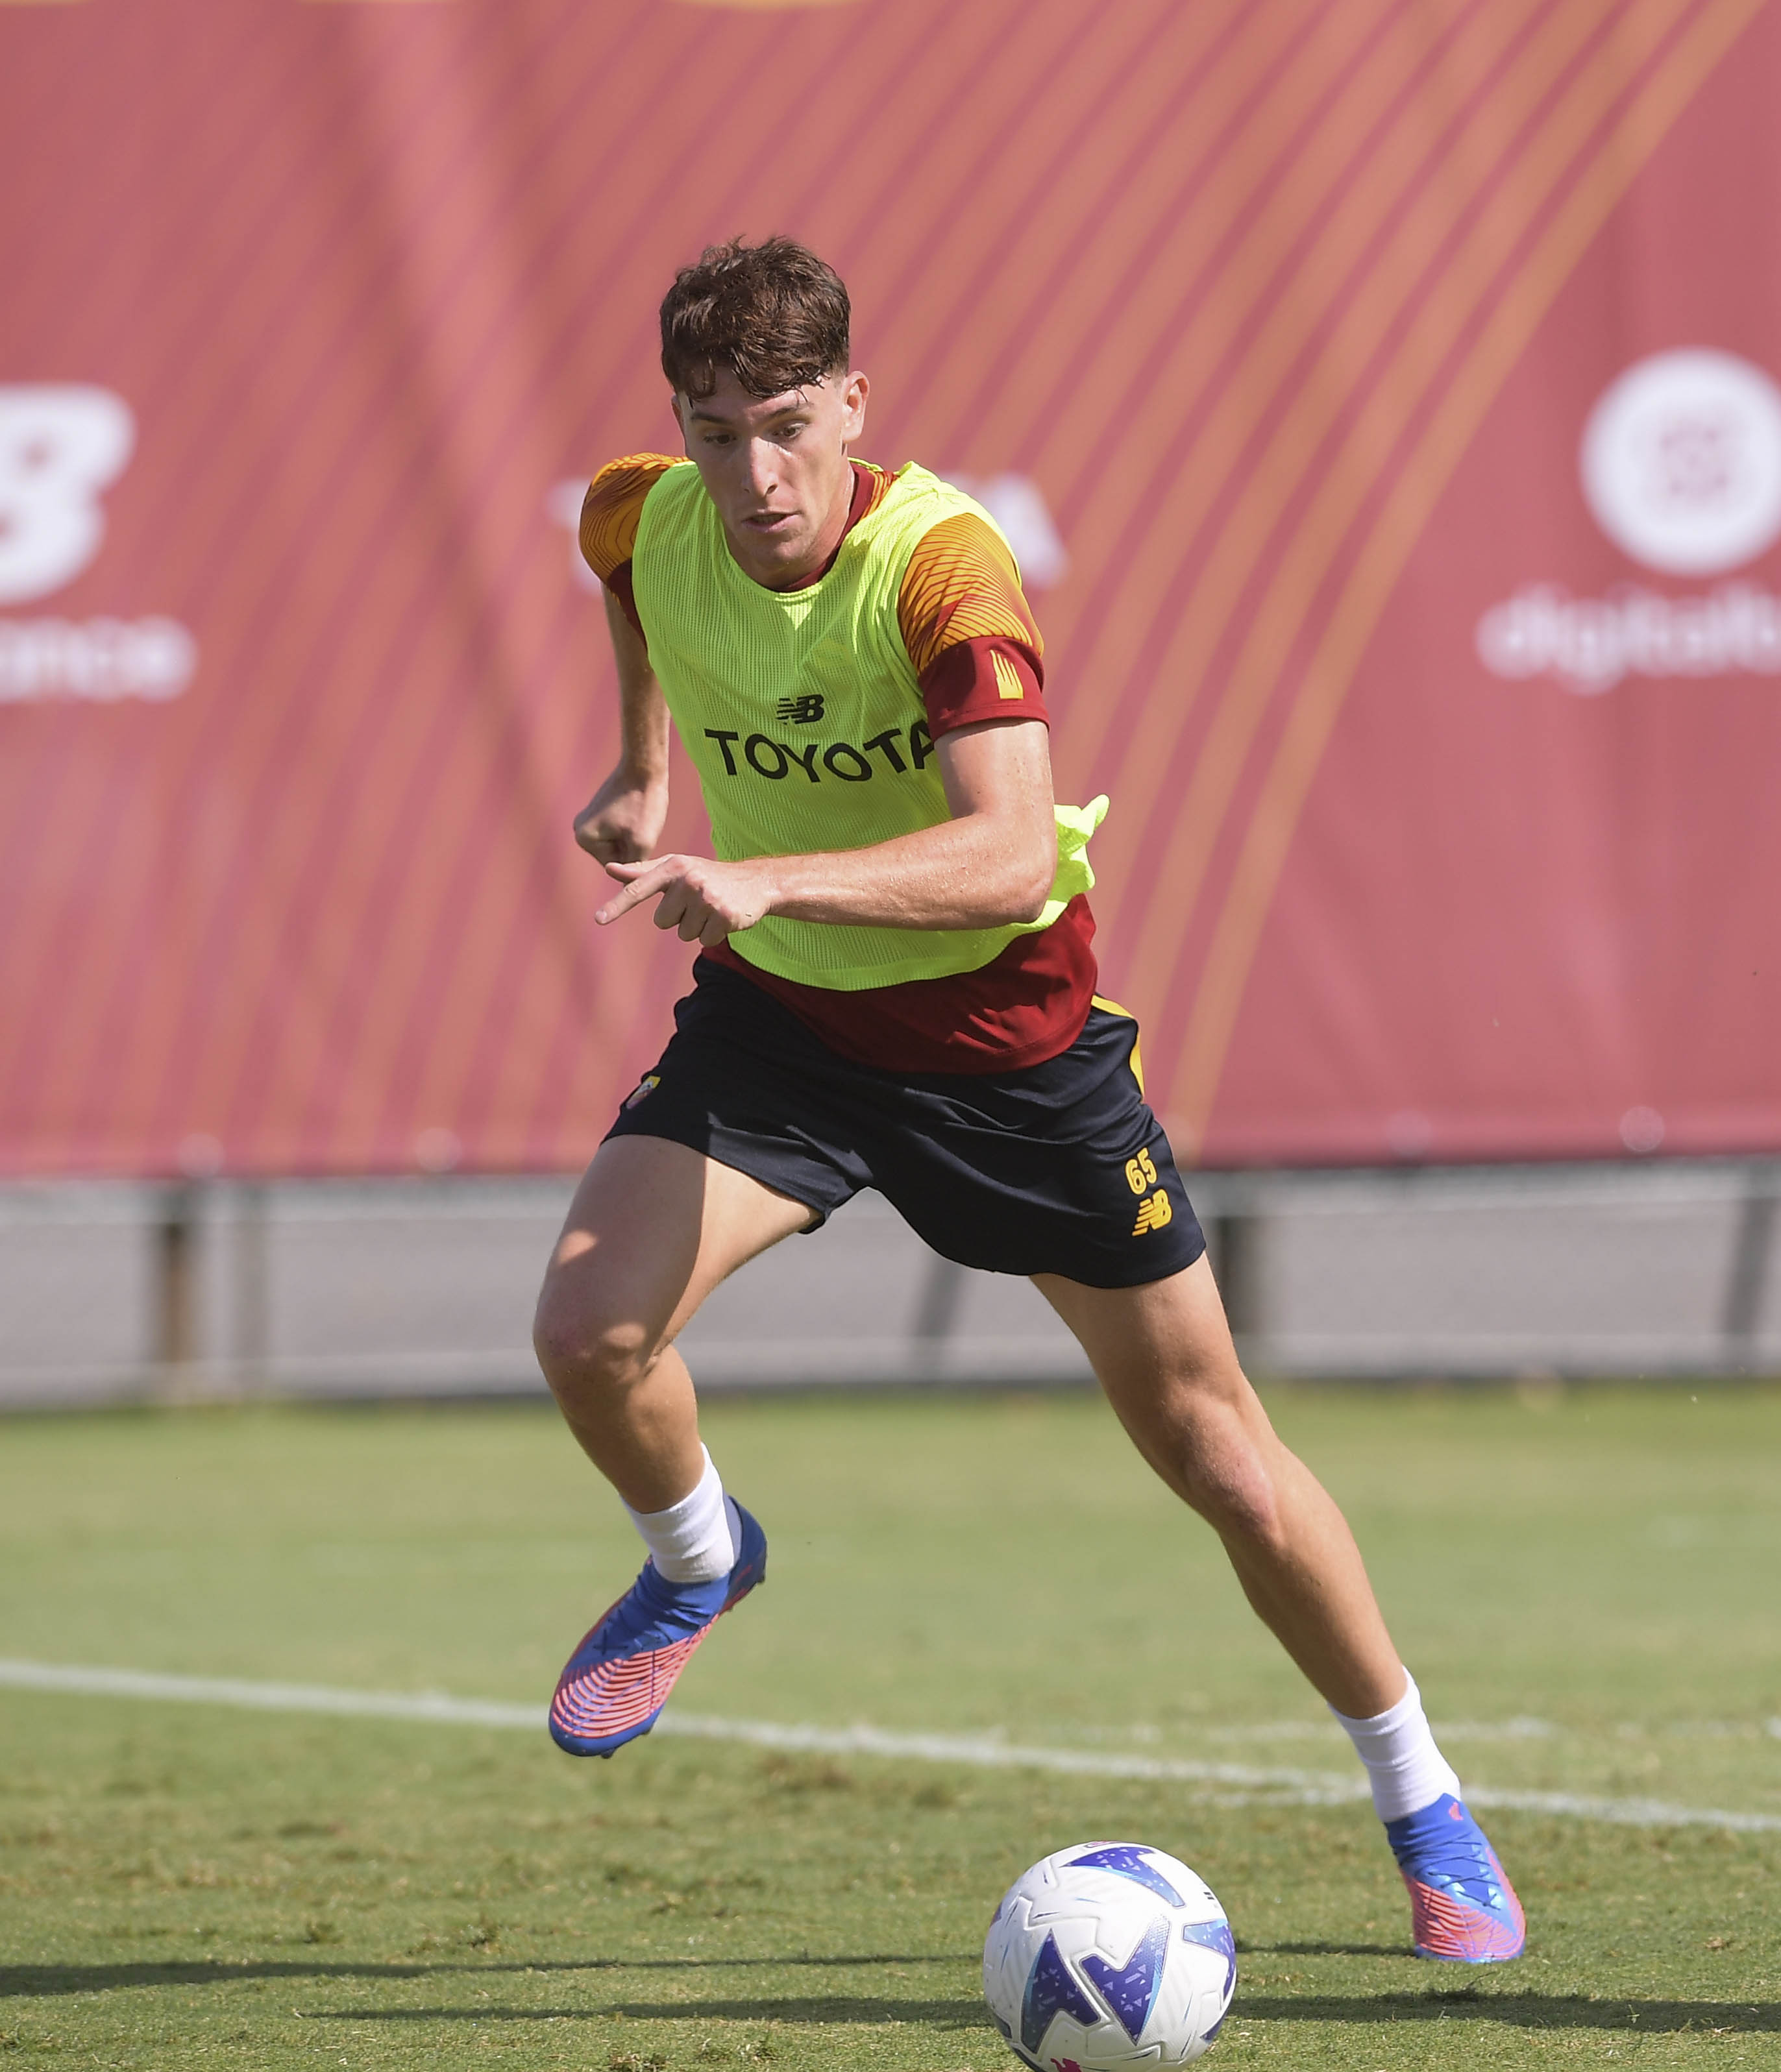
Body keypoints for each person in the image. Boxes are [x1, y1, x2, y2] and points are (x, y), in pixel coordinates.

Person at [532, 237, 1522, 1966]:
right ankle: (700, 1555)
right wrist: (641, 762)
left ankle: (1426, 1803)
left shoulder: (946, 569)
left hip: (1011, 1053)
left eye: (783, 424)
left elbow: (1003, 855)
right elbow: (622, 571)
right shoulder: (645, 510)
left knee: (1218, 1450)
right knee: (585, 1329)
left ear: (854, 401)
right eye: (713, 432)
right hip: (786, 1037)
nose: (752, 475)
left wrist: (777, 882)